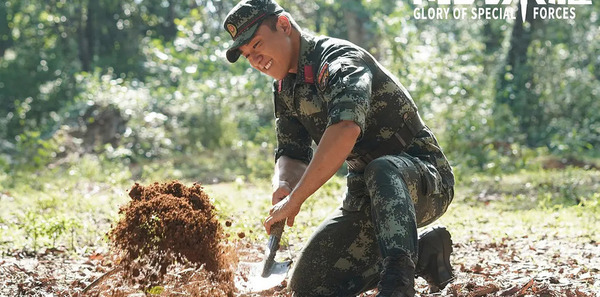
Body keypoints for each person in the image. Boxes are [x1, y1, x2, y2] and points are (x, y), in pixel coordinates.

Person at [223, 0, 455, 296]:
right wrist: (283, 185)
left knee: (382, 169)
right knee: (308, 286)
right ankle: (425, 253)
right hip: (365, 192)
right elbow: (292, 152)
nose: (256, 59)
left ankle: (398, 281)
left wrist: (296, 199)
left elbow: (345, 129)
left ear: (283, 25)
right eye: (247, 55)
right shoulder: (285, 86)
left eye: (257, 45)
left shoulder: (337, 60)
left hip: (422, 180)